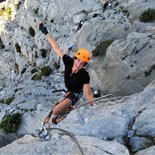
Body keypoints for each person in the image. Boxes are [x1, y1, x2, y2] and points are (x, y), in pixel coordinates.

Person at [39, 23, 94, 124]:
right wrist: (46, 33)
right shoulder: (68, 61)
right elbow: (56, 48)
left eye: (82, 63)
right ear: (75, 58)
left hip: (75, 95)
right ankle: (69, 108)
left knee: (55, 111)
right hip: (69, 91)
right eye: (78, 61)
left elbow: (88, 93)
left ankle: (70, 109)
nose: (79, 64)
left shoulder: (84, 75)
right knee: (55, 112)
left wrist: (93, 106)